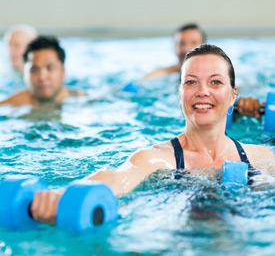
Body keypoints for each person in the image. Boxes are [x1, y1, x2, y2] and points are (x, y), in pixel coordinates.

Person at [29, 44, 274, 225]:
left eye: (215, 82)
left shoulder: (262, 158)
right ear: (180, 93)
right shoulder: (156, 159)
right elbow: (115, 178)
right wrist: (61, 196)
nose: (202, 92)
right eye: (190, 82)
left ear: (233, 94)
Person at [0, 36, 84, 107]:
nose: (42, 77)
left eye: (50, 68)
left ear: (63, 72)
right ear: (25, 74)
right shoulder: (7, 106)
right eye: (34, 70)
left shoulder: (83, 100)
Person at [142, 23, 206, 80]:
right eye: (181, 43)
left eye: (193, 43)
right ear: (174, 47)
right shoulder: (161, 75)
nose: (186, 49)